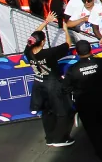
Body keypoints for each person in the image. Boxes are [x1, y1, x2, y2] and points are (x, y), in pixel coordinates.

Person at [63, 39, 102, 162]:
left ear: (77, 52)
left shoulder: (72, 70)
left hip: (85, 105)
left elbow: (66, 88)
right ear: (91, 50)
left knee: (94, 131)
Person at [24, 13, 74, 148]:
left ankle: (50, 138)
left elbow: (33, 37)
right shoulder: (49, 53)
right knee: (62, 112)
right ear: (43, 42)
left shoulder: (28, 52)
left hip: (39, 85)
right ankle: (60, 139)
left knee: (47, 112)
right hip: (53, 85)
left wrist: (45, 22)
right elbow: (67, 44)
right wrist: (65, 30)